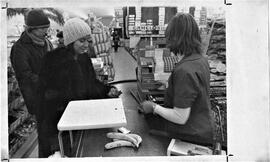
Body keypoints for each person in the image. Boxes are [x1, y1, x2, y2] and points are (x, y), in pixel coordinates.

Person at [38, 18, 120, 157]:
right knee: (63, 153)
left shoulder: (84, 58)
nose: (86, 45)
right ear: (70, 41)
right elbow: (44, 94)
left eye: (88, 40)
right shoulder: (52, 60)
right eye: (81, 41)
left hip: (81, 118)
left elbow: (91, 83)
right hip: (59, 121)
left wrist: (107, 90)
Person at [141, 13, 214, 145]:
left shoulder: (184, 70)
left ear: (175, 38)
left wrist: (153, 107)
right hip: (203, 128)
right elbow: (195, 90)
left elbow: (180, 117)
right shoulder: (201, 59)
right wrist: (171, 84)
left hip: (189, 137)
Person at [10, 9, 53, 158]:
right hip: (37, 99)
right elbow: (25, 76)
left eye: (47, 28)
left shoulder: (46, 43)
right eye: (43, 29)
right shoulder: (19, 48)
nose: (46, 32)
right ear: (31, 29)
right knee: (45, 136)